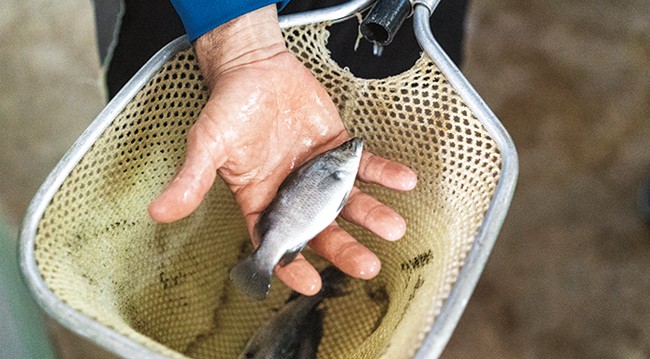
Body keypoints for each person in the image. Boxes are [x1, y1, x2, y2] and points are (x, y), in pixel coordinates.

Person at [94, 0, 469, 296]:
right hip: (200, 14)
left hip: (400, 16)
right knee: (159, 137)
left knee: (401, 111)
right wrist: (240, 42)